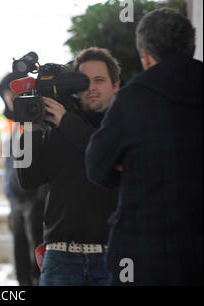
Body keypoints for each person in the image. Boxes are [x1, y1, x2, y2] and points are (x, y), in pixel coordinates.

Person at [85, 8, 202, 285]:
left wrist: (133, 166)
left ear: (146, 56)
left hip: (143, 255)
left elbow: (96, 168)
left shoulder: (132, 100)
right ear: (191, 46)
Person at [17, 47, 121, 286]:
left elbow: (105, 152)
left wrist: (65, 121)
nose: (91, 87)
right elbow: (28, 179)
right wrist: (29, 131)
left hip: (111, 256)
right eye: (84, 81)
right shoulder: (60, 126)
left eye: (99, 80)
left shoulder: (122, 124)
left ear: (115, 85)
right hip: (60, 257)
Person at [0, 72, 47, 286]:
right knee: (20, 260)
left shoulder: (37, 120)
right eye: (7, 93)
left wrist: (40, 199)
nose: (10, 98)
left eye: (14, 93)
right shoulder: (15, 124)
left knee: (37, 258)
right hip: (15, 202)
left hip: (35, 202)